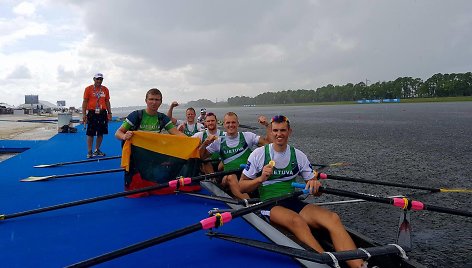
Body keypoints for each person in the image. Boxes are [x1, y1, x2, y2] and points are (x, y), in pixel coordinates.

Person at [239, 115, 364, 268]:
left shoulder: (298, 156)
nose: (279, 134)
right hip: (269, 203)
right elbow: (242, 187)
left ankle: (359, 265)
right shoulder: (258, 155)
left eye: (283, 130)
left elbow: (316, 192)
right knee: (296, 221)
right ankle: (326, 264)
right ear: (271, 132)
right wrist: (260, 179)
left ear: (289, 131)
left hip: (293, 200)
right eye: (276, 130)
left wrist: (315, 185)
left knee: (333, 218)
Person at [200, 112, 268, 199]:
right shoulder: (219, 141)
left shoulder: (248, 136)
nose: (231, 125)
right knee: (231, 177)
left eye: (233, 122)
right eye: (228, 123)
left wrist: (267, 125)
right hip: (228, 177)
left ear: (238, 124)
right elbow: (201, 157)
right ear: (224, 125)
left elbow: (269, 146)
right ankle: (250, 204)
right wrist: (205, 143)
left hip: (246, 174)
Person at [115, 88, 184, 140]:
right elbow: (118, 132)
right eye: (151, 99)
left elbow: (177, 133)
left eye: (157, 100)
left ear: (161, 102)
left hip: (153, 154)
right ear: (146, 101)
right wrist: (124, 136)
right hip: (136, 155)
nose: (154, 102)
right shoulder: (136, 115)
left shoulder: (162, 118)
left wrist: (193, 141)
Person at [82, 73, 112, 159]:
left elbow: (107, 101)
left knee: (100, 133)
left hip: (102, 113)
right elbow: (85, 102)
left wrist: (109, 112)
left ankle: (97, 149)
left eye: (101, 79)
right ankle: (89, 151)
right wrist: (84, 114)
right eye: (97, 79)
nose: (99, 81)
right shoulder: (88, 89)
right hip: (92, 112)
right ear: (94, 79)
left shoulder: (105, 89)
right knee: (90, 133)